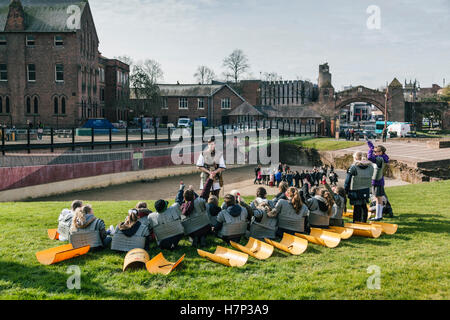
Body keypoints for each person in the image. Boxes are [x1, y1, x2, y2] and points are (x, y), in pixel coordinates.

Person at [179, 178, 214, 248]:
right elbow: (205, 191)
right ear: (194, 196)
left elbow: (179, 199)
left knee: (190, 227)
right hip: (205, 227)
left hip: (192, 230)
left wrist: (181, 189)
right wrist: (210, 179)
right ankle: (202, 237)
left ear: (184, 198)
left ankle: (194, 238)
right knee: (202, 229)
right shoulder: (200, 201)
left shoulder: (182, 207)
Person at [344, 151, 374, 223]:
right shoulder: (370, 166)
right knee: (364, 205)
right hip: (366, 189)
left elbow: (348, 180)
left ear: (355, 158)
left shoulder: (353, 167)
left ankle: (356, 221)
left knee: (357, 206)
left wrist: (346, 190)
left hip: (356, 189)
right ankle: (363, 221)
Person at [367, 141, 390, 221]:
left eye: (376, 152)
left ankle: (378, 216)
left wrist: (370, 149)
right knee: (379, 198)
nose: (375, 153)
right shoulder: (382, 157)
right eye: (375, 152)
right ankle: (379, 215)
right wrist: (371, 147)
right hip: (379, 180)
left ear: (381, 152)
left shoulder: (379, 159)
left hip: (376, 181)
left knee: (378, 199)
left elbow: (369, 157)